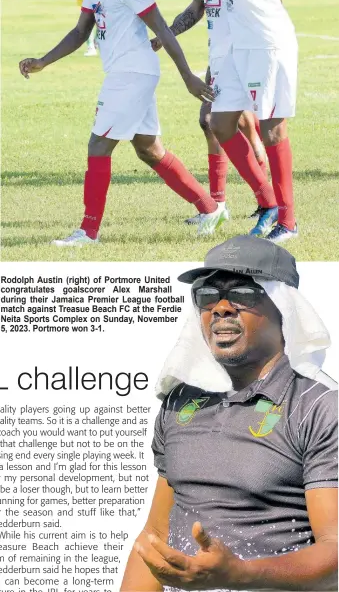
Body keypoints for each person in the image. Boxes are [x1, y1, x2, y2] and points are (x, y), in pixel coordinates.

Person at [121, 235, 338, 592]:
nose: (221, 307)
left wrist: (239, 574)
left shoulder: (319, 407)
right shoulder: (179, 405)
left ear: (285, 307)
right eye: (208, 295)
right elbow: (155, 537)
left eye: (243, 292)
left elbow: (336, 551)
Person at [19, 0, 228, 246]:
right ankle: (208, 207)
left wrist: (188, 74)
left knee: (98, 145)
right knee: (149, 149)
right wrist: (44, 61)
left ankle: (87, 232)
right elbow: (79, 32)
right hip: (125, 72)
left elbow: (161, 28)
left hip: (134, 72)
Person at [124, 0, 298, 244]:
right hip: (234, 46)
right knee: (219, 123)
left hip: (265, 43)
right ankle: (267, 203)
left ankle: (288, 221)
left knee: (271, 130)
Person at [151, 0, 267, 227]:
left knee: (220, 122)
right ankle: (240, 203)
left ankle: (243, 203)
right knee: (238, 126)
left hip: (242, 54)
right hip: (220, 57)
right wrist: (166, 34)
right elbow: (196, 10)